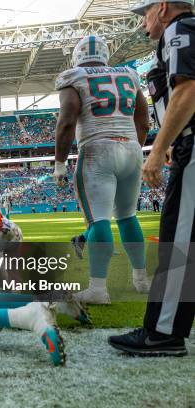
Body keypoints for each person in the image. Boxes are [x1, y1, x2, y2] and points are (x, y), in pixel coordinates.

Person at [109, 0, 195, 357]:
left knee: (179, 242)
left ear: (162, 8)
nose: (143, 23)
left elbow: (188, 90)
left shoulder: (180, 29)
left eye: (144, 13)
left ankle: (162, 333)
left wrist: (159, 149)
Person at [54, 35, 151, 304]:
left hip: (97, 148)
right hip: (131, 148)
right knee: (128, 217)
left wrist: (60, 162)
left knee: (98, 220)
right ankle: (141, 279)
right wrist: (133, 148)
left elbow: (67, 119)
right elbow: (143, 119)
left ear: (77, 56)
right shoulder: (129, 75)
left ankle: (98, 288)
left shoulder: (74, 76)